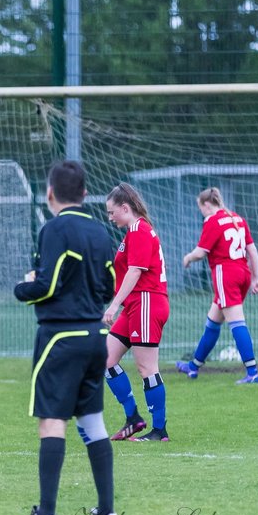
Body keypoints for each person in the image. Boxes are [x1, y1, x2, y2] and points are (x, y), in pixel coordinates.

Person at [8, 161, 121, 515]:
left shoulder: (55, 228)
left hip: (61, 337)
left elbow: (48, 284)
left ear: (50, 193)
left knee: (52, 421)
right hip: (95, 336)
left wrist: (23, 287)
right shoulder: (100, 232)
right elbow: (108, 285)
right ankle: (106, 514)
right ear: (86, 194)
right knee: (92, 422)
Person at [101, 183, 171, 442]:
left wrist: (114, 304)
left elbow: (135, 271)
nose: (110, 217)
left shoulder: (140, 230)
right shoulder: (132, 232)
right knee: (105, 359)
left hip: (146, 303)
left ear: (125, 207)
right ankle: (133, 419)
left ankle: (159, 430)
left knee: (146, 367)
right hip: (136, 305)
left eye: (111, 212)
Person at [175, 187, 258, 384]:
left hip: (226, 275)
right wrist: (256, 279)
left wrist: (188, 258)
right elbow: (253, 250)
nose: (202, 213)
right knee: (213, 322)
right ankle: (193, 367)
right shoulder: (236, 218)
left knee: (237, 323)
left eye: (201, 209)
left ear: (207, 205)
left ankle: (252, 372)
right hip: (243, 274)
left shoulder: (213, 220)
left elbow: (201, 252)